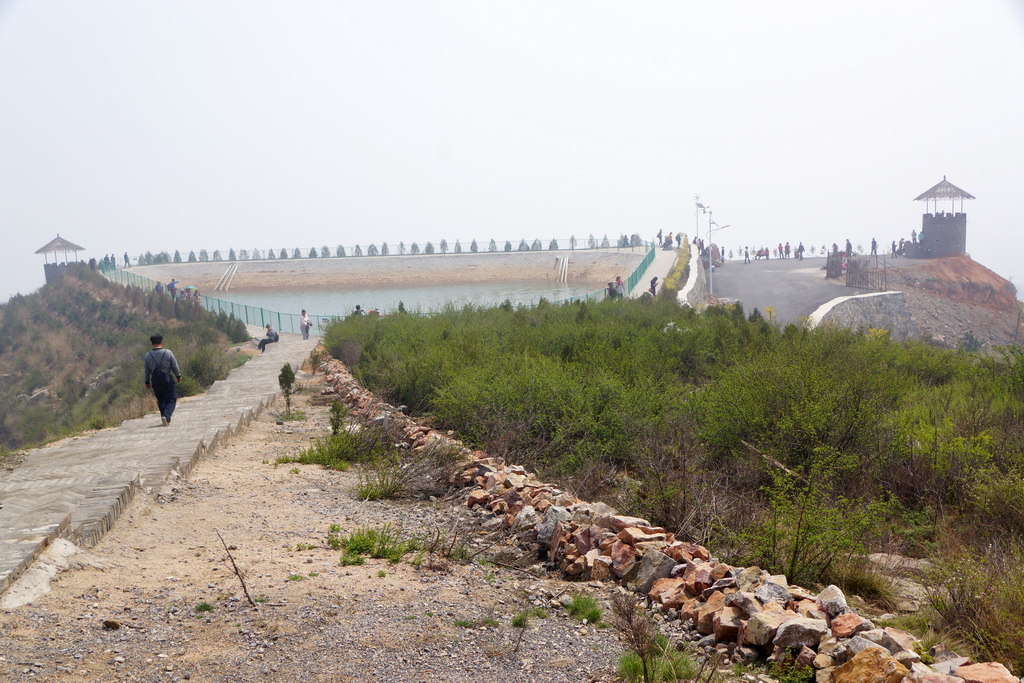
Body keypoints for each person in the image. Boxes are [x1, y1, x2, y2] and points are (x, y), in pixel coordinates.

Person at [144, 334, 182, 427]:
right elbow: (175, 366)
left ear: (152, 343)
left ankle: (164, 418)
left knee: (161, 400)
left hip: (155, 381)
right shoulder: (168, 353)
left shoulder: (147, 355)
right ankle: (166, 416)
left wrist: (147, 382)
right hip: (167, 379)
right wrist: (178, 375)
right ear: (162, 342)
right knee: (172, 399)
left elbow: (146, 370)